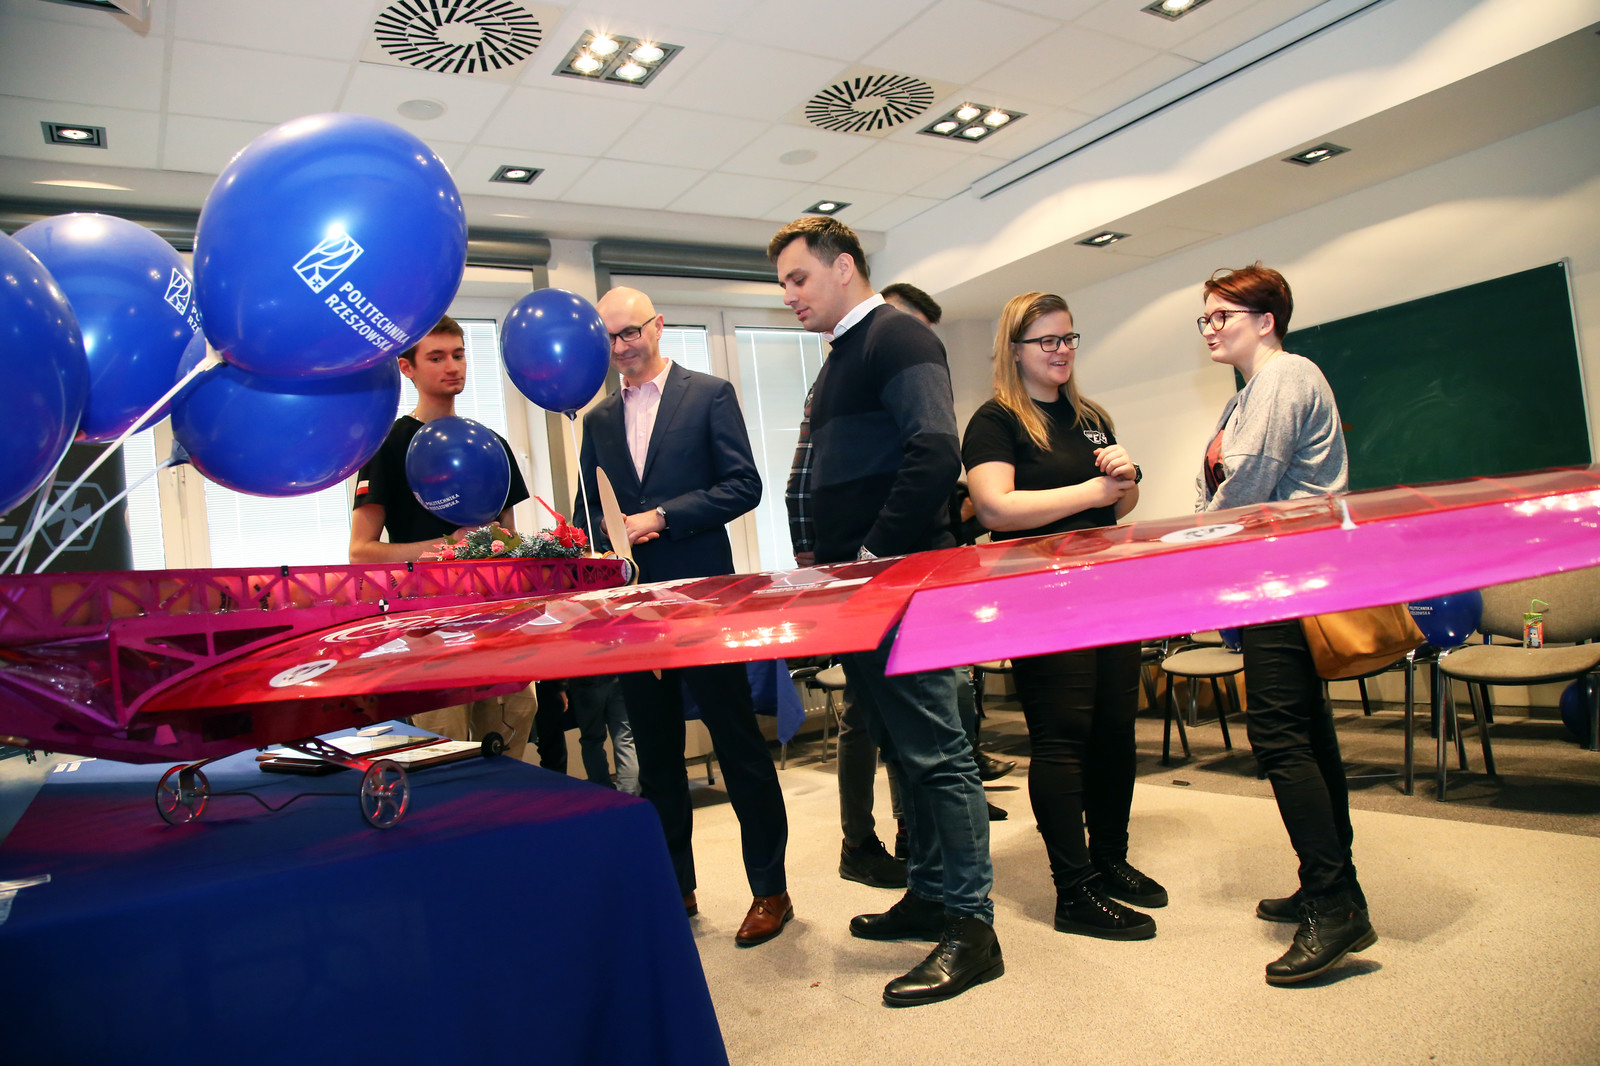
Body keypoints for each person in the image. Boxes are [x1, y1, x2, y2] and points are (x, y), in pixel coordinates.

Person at [770, 217, 1001, 1008]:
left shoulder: (898, 337)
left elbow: (935, 451)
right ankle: (930, 893)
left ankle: (973, 926)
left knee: (938, 755)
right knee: (904, 752)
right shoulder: (843, 353)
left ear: (844, 268)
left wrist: (872, 556)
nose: (789, 295)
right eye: (783, 284)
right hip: (860, 593)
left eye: (798, 278)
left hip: (899, 583)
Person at [575, 286, 792, 947]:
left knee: (738, 746)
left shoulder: (710, 395)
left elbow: (744, 485)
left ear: (658, 326)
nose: (621, 347)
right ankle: (677, 888)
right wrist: (591, 549)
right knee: (657, 756)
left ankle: (771, 891)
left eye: (630, 332)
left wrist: (663, 517)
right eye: (609, 338)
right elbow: (589, 513)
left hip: (705, 604)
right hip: (634, 610)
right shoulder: (597, 420)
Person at [963, 291, 1165, 943]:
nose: (1061, 351)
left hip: (1108, 591)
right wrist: (1094, 489)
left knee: (1113, 733)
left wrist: (1127, 480)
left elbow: (1118, 506)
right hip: (1042, 599)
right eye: (1047, 341)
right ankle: (1074, 891)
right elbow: (995, 509)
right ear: (1015, 349)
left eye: (1069, 338)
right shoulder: (996, 421)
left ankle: (1109, 860)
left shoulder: (1090, 416)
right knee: (1063, 738)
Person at [1195, 263, 1374, 985]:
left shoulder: (1286, 376)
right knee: (1305, 731)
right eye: (1205, 318)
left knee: (1277, 734)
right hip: (1268, 576)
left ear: (1265, 320)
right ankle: (1332, 884)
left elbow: (1247, 485)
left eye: (1223, 316)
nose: (1210, 328)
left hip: (1289, 575)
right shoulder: (1245, 395)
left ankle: (1334, 904)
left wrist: (1190, 539)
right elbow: (1221, 484)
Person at [349, 315, 548, 761]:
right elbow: (361, 553)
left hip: (495, 627)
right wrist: (448, 547)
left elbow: (509, 543)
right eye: (436, 357)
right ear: (407, 367)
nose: (452, 366)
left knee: (511, 739)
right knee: (443, 753)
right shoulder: (387, 445)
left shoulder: (490, 445)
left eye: (458, 355)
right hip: (428, 632)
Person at [883, 285, 1016, 789]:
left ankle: (968, 780)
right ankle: (905, 822)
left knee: (954, 689)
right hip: (889, 570)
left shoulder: (920, 396)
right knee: (891, 719)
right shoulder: (866, 390)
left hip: (936, 564)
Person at [567, 674, 639, 795]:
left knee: (592, 741)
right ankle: (629, 794)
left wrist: (561, 687)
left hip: (585, 681)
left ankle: (602, 793)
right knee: (624, 740)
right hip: (617, 675)